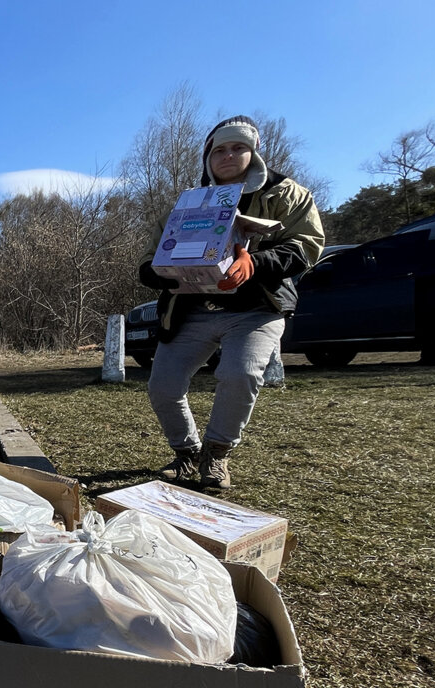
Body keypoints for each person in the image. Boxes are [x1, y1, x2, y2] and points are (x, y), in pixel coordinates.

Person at [138, 115, 324, 489]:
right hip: (192, 309)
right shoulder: (189, 203)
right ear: (208, 158)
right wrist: (164, 273)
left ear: (254, 152)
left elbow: (307, 246)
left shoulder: (286, 194)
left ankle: (217, 456)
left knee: (240, 374)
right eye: (219, 150)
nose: (228, 155)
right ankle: (188, 455)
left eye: (238, 147)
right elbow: (149, 259)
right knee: (163, 385)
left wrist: (255, 261)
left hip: (257, 310)